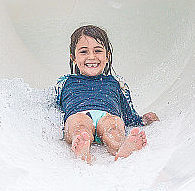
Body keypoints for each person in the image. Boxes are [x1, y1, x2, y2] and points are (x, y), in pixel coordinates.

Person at [55, 25, 158, 164]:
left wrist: (143, 120)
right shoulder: (65, 82)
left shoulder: (116, 82)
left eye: (97, 51)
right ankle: (81, 145)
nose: (91, 57)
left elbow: (127, 113)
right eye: (84, 52)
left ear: (107, 56)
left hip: (107, 115)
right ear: (73, 57)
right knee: (79, 124)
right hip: (78, 114)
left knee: (113, 127)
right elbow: (53, 109)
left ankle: (120, 148)